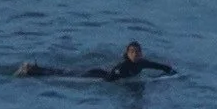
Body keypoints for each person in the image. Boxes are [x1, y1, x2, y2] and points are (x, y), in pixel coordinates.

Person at [14, 42, 176, 81]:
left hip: (105, 73)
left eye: (138, 51)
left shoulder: (141, 63)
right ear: (127, 53)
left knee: (65, 72)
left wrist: (170, 72)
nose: (136, 54)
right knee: (65, 73)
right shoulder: (123, 66)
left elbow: (159, 66)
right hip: (96, 74)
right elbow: (110, 79)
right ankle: (34, 70)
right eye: (132, 52)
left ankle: (34, 69)